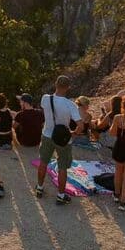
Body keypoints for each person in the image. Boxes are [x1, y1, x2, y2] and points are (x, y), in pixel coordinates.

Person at [36, 76, 83, 205]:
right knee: (62, 167)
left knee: (43, 162)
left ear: (55, 84)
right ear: (68, 87)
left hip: (47, 134)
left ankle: (39, 188)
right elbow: (81, 125)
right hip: (63, 139)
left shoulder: (45, 99)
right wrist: (73, 135)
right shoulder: (70, 105)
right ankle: (61, 195)